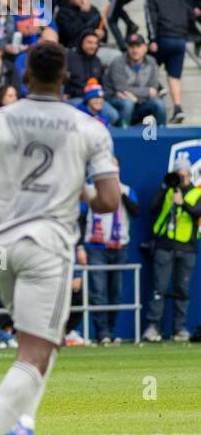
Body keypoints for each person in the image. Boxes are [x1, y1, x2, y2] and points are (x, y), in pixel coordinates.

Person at [0, 40, 121, 435]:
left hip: (2, 246)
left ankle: (24, 427)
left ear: (24, 78)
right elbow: (108, 199)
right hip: (47, 244)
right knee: (34, 350)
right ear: (65, 79)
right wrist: (78, 191)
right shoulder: (89, 127)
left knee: (42, 343)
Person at [141, 162, 201, 343]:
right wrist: (164, 187)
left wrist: (182, 204)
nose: (179, 180)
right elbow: (152, 208)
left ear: (190, 176)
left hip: (187, 248)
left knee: (182, 290)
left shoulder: (196, 193)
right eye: (176, 175)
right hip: (164, 246)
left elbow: (198, 212)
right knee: (159, 289)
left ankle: (179, 329)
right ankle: (152, 328)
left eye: (181, 176)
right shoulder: (167, 191)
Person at [80, 169, 137, 345]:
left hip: (119, 248)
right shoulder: (89, 190)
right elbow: (80, 218)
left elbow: (136, 212)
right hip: (95, 248)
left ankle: (110, 331)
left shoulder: (126, 190)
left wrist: (119, 193)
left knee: (116, 293)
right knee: (98, 292)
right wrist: (80, 246)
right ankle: (102, 333)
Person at [106, 32, 166, 127]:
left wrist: (136, 98)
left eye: (138, 46)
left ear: (145, 48)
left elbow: (153, 89)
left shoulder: (151, 62)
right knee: (128, 104)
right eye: (131, 46)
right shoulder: (118, 61)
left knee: (158, 104)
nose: (135, 50)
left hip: (140, 102)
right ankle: (124, 133)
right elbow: (121, 88)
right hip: (116, 100)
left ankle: (163, 134)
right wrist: (146, 92)